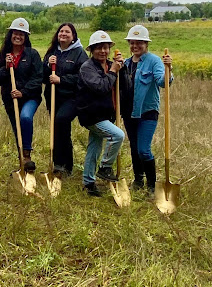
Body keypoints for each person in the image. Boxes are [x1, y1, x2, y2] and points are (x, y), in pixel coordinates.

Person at [119, 25, 173, 195]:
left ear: (146, 44)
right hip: (129, 112)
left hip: (147, 112)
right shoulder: (126, 64)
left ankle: (151, 184)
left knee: (143, 149)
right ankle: (138, 179)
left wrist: (168, 69)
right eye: (132, 43)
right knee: (134, 148)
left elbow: (163, 82)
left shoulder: (154, 61)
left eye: (139, 43)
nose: (135, 46)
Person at [0, 18, 43, 171]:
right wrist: (6, 68)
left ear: (26, 37)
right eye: (15, 33)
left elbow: (38, 78)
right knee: (17, 128)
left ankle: (27, 154)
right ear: (11, 34)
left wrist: (23, 92)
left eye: (22, 34)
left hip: (30, 97)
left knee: (25, 117)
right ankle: (23, 162)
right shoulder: (3, 56)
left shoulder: (32, 54)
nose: (18, 36)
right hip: (10, 99)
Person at [76, 30, 125, 197]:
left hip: (105, 114)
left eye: (106, 47)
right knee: (118, 135)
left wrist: (121, 70)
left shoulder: (110, 64)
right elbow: (100, 87)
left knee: (94, 147)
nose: (103, 51)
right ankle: (105, 167)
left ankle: (88, 182)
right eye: (98, 48)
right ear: (91, 50)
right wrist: (113, 71)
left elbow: (125, 86)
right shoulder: (87, 68)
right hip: (91, 114)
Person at [42, 23, 88, 176]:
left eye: (67, 32)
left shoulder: (79, 53)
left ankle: (63, 164)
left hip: (72, 98)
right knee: (59, 129)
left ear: (73, 36)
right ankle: (61, 165)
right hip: (53, 97)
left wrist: (61, 80)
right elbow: (42, 76)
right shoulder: (52, 52)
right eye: (61, 31)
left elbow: (82, 77)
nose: (63, 34)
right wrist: (48, 65)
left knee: (61, 121)